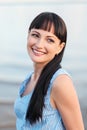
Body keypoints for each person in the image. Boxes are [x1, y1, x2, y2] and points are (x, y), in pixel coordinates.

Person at [14, 12, 84, 130]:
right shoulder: (28, 79)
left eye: (50, 40)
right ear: (28, 35)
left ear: (60, 47)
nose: (39, 44)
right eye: (35, 35)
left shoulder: (60, 82)